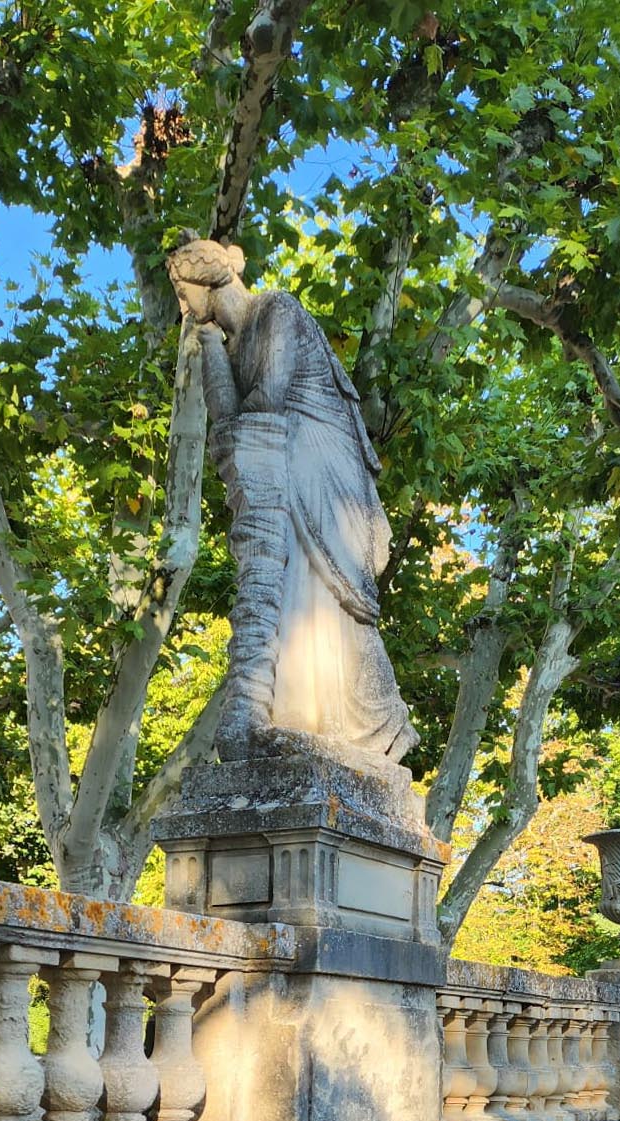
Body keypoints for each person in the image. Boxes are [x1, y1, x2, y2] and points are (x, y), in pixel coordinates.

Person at [166, 235, 417, 765]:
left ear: (210, 283)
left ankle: (367, 725)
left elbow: (267, 398)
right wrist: (209, 346)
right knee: (296, 589)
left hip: (316, 464)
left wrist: (235, 403)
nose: (184, 309)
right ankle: (304, 720)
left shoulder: (277, 309)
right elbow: (228, 422)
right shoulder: (229, 344)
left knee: (321, 588)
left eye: (185, 294)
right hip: (275, 460)